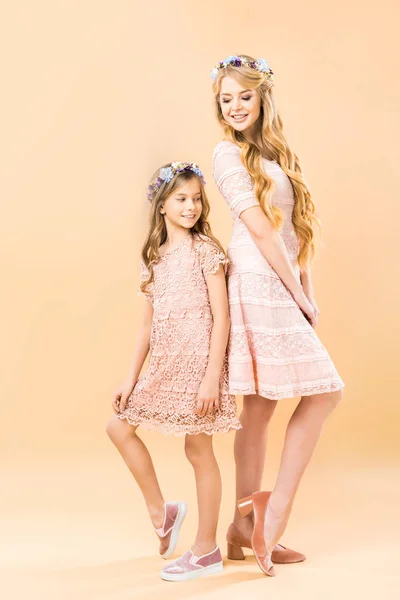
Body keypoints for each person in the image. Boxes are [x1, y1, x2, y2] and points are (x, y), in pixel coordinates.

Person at [211, 55, 344, 576]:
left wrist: (308, 286)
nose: (236, 107)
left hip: (280, 277)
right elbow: (261, 232)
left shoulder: (278, 154)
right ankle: (267, 518)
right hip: (256, 279)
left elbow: (293, 231)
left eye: (244, 96)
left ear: (263, 97)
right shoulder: (226, 154)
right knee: (263, 407)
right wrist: (299, 296)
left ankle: (249, 525)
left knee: (270, 407)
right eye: (226, 99)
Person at [106, 161, 241, 581]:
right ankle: (161, 511)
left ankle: (206, 549)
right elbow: (146, 326)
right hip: (165, 365)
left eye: (197, 199)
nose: (191, 207)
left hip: (199, 367)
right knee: (118, 428)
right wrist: (130, 378)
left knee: (199, 451)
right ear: (162, 206)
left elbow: (222, 318)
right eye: (181, 199)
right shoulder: (155, 259)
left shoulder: (206, 252)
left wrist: (209, 378)